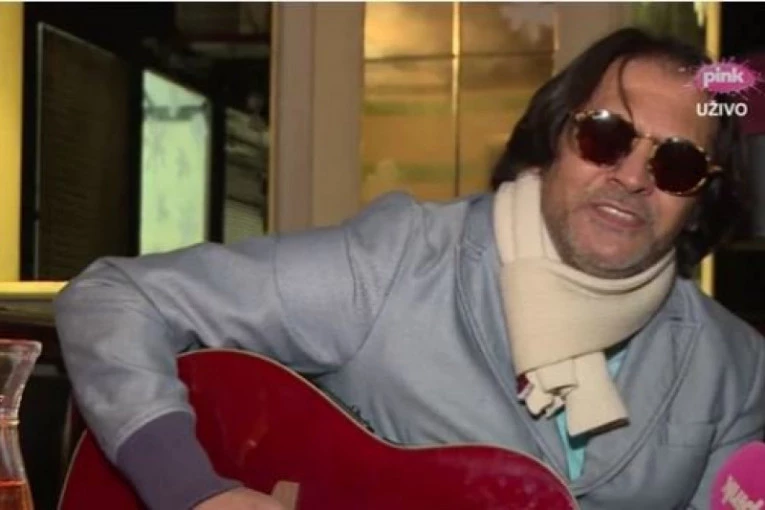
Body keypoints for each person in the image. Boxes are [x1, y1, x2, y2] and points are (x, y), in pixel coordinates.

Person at [54, 27, 765, 510]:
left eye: (675, 163)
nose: (630, 178)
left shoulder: (735, 368)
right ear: (555, 137)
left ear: (699, 199)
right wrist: (191, 490)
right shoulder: (400, 262)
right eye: (606, 136)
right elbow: (116, 296)